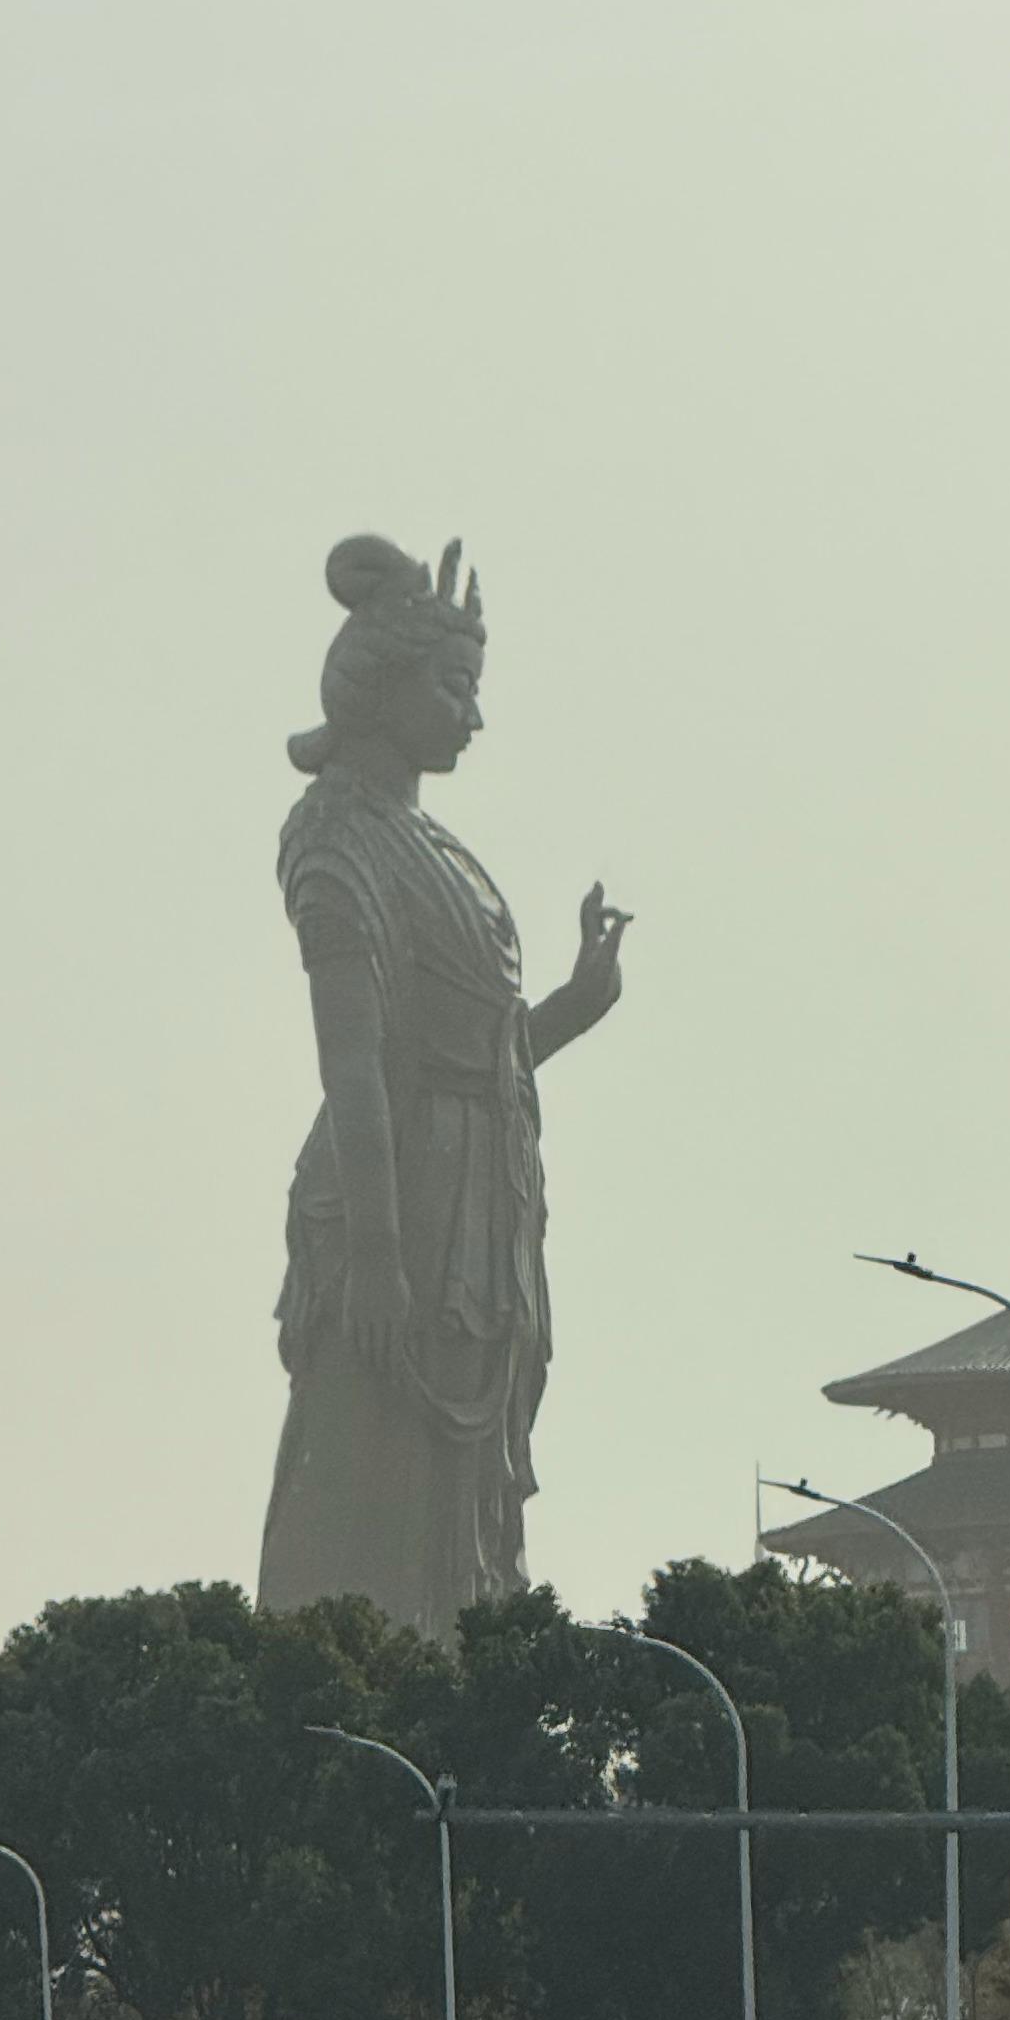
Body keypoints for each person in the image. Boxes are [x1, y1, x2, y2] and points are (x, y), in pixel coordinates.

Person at [256, 534, 630, 1635]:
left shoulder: (434, 844)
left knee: (465, 1497)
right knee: (369, 1472)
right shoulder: (335, 840)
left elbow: (485, 1052)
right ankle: (348, 1706)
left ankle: (460, 1698)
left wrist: (574, 1005)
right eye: (454, 688)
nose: (472, 717)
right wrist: (376, 1250)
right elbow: (356, 1063)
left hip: (480, 1197)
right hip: (402, 1195)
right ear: (384, 690)